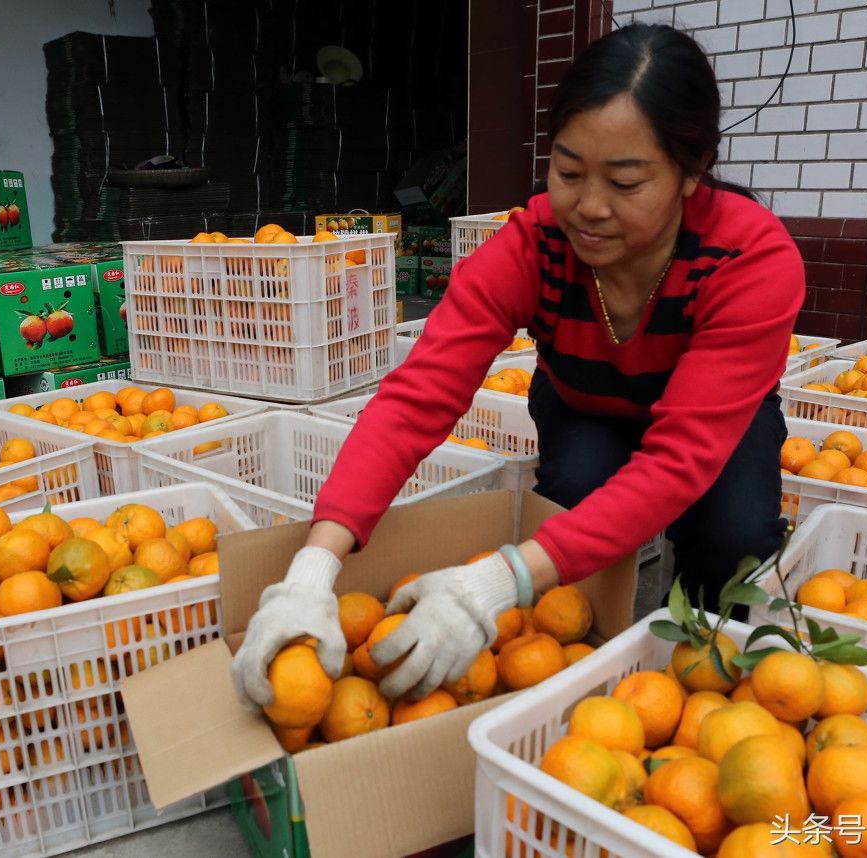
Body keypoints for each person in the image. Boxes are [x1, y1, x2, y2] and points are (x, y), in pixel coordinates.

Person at [231, 22, 804, 708]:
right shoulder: (532, 247)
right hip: (588, 403)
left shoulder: (751, 262)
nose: (588, 207)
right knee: (569, 512)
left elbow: (682, 459)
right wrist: (312, 570)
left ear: (692, 169)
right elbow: (417, 399)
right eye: (568, 172)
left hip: (713, 426)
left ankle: (706, 683)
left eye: (625, 182)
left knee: (731, 539)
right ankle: (582, 685)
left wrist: (494, 583)